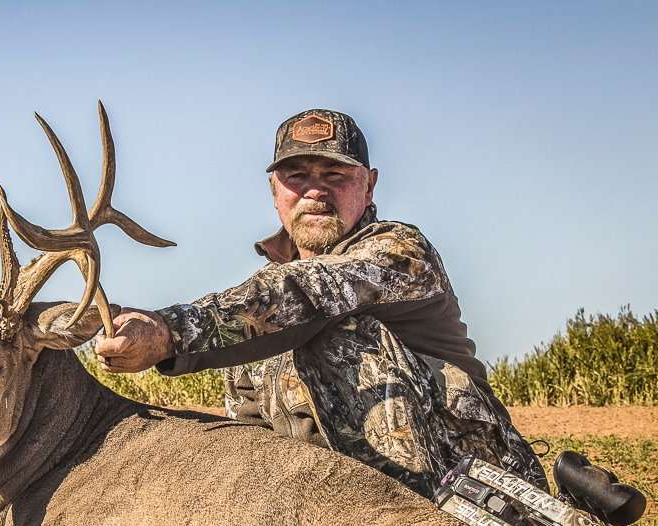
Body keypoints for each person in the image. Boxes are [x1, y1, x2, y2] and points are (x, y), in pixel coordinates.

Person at [95, 108, 544, 498]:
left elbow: (309, 293)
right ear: (275, 191)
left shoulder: (400, 253)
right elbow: (252, 439)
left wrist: (168, 331)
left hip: (474, 502)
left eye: (334, 176)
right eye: (297, 177)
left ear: (368, 187)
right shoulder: (254, 305)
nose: (315, 192)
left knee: (326, 330)